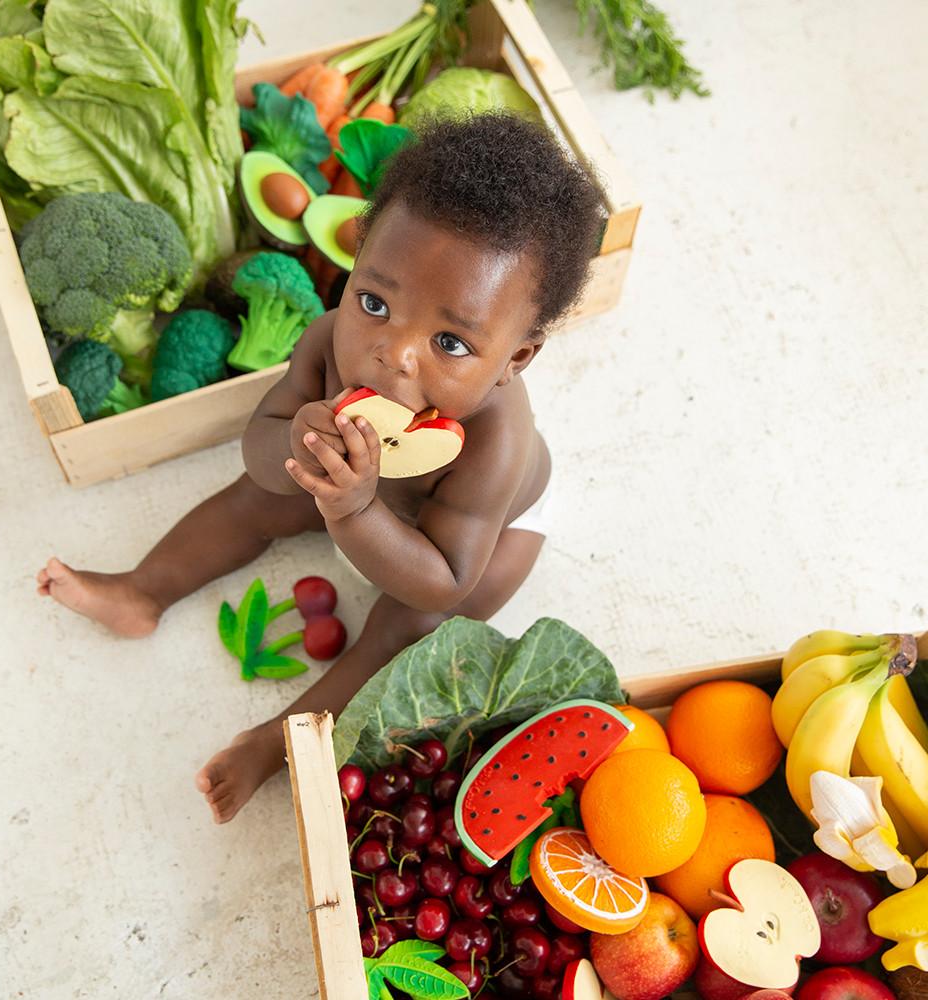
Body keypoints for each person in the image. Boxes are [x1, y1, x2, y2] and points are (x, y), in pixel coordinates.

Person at [36, 113, 608, 823]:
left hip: (476, 542)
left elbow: (443, 576)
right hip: (361, 490)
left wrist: (356, 511)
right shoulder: (330, 342)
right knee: (256, 498)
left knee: (409, 628)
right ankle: (141, 591)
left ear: (515, 358)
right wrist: (296, 444)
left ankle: (276, 745)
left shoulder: (498, 439)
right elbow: (260, 450)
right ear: (356, 257)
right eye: (375, 302)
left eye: (451, 343)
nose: (394, 354)